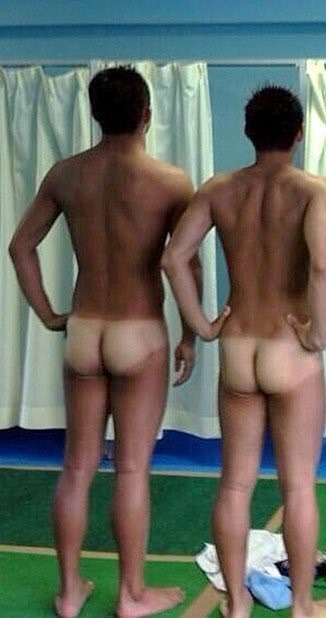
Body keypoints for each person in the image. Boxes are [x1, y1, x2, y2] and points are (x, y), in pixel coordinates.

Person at [8, 65, 197, 617]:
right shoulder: (170, 181)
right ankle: (132, 594)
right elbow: (184, 264)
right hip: (139, 333)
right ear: (147, 115)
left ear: (94, 114)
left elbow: (21, 247)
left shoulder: (66, 174)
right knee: (132, 469)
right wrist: (191, 333)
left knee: (76, 467)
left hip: (85, 333)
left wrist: (49, 314)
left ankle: (69, 591)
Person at [162, 85, 326, 618]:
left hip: (239, 347)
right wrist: (318, 333)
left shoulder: (220, 189)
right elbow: (323, 266)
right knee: (299, 487)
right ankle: (303, 605)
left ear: (247, 132)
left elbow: (174, 258)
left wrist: (201, 327)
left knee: (236, 485)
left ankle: (237, 603)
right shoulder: (314, 190)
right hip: (290, 349)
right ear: (299, 134)